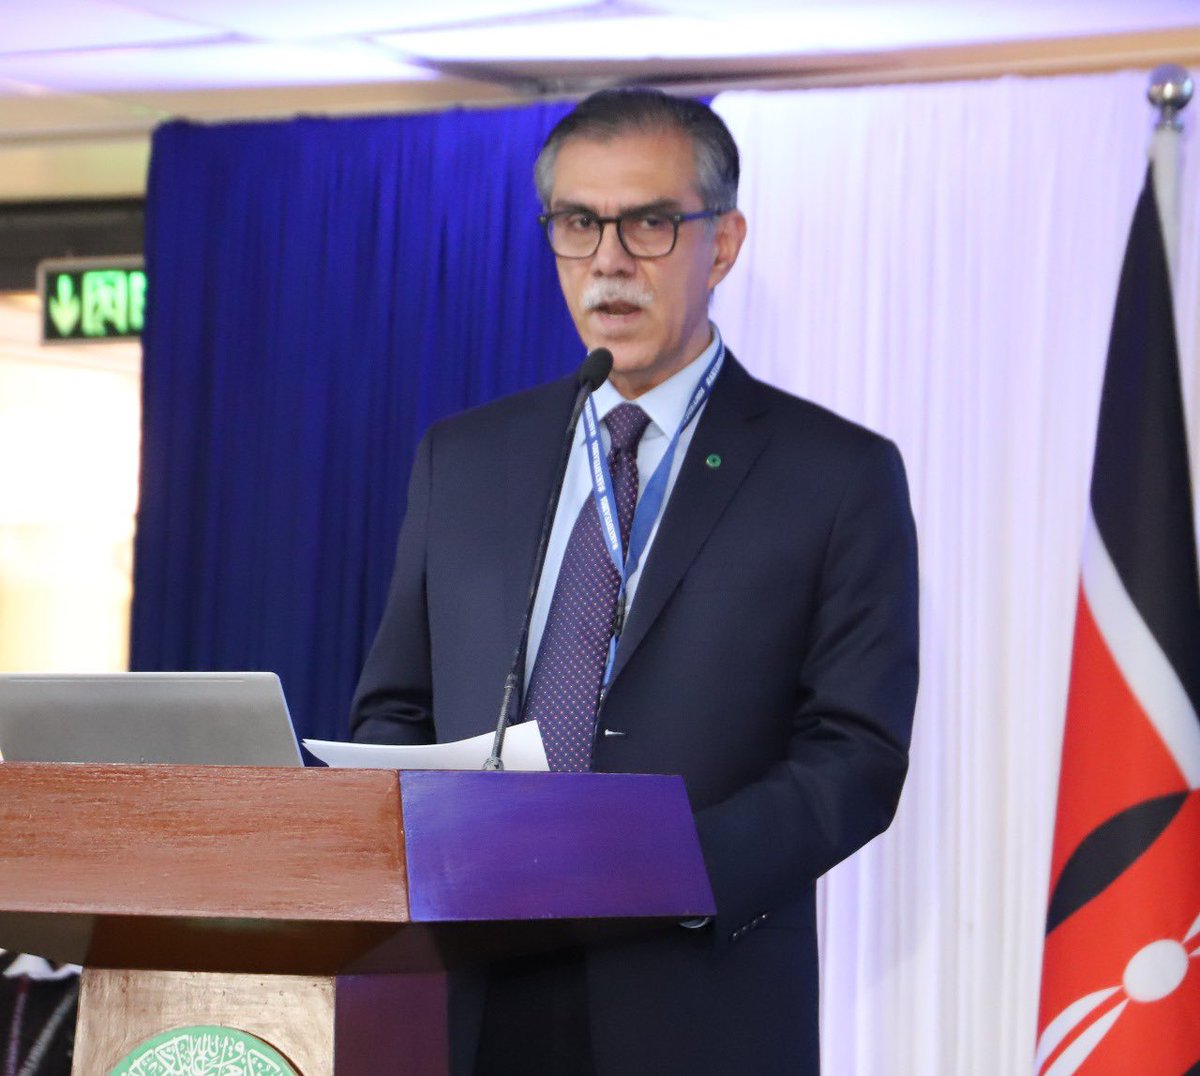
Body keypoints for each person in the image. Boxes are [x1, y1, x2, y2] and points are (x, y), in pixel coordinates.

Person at [351, 88, 918, 1075]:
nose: (608, 258)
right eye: (578, 222)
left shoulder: (833, 473)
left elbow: (855, 755)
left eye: (648, 222)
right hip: (479, 994)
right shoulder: (467, 459)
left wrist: (659, 867)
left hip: (700, 998)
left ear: (723, 242)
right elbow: (396, 706)